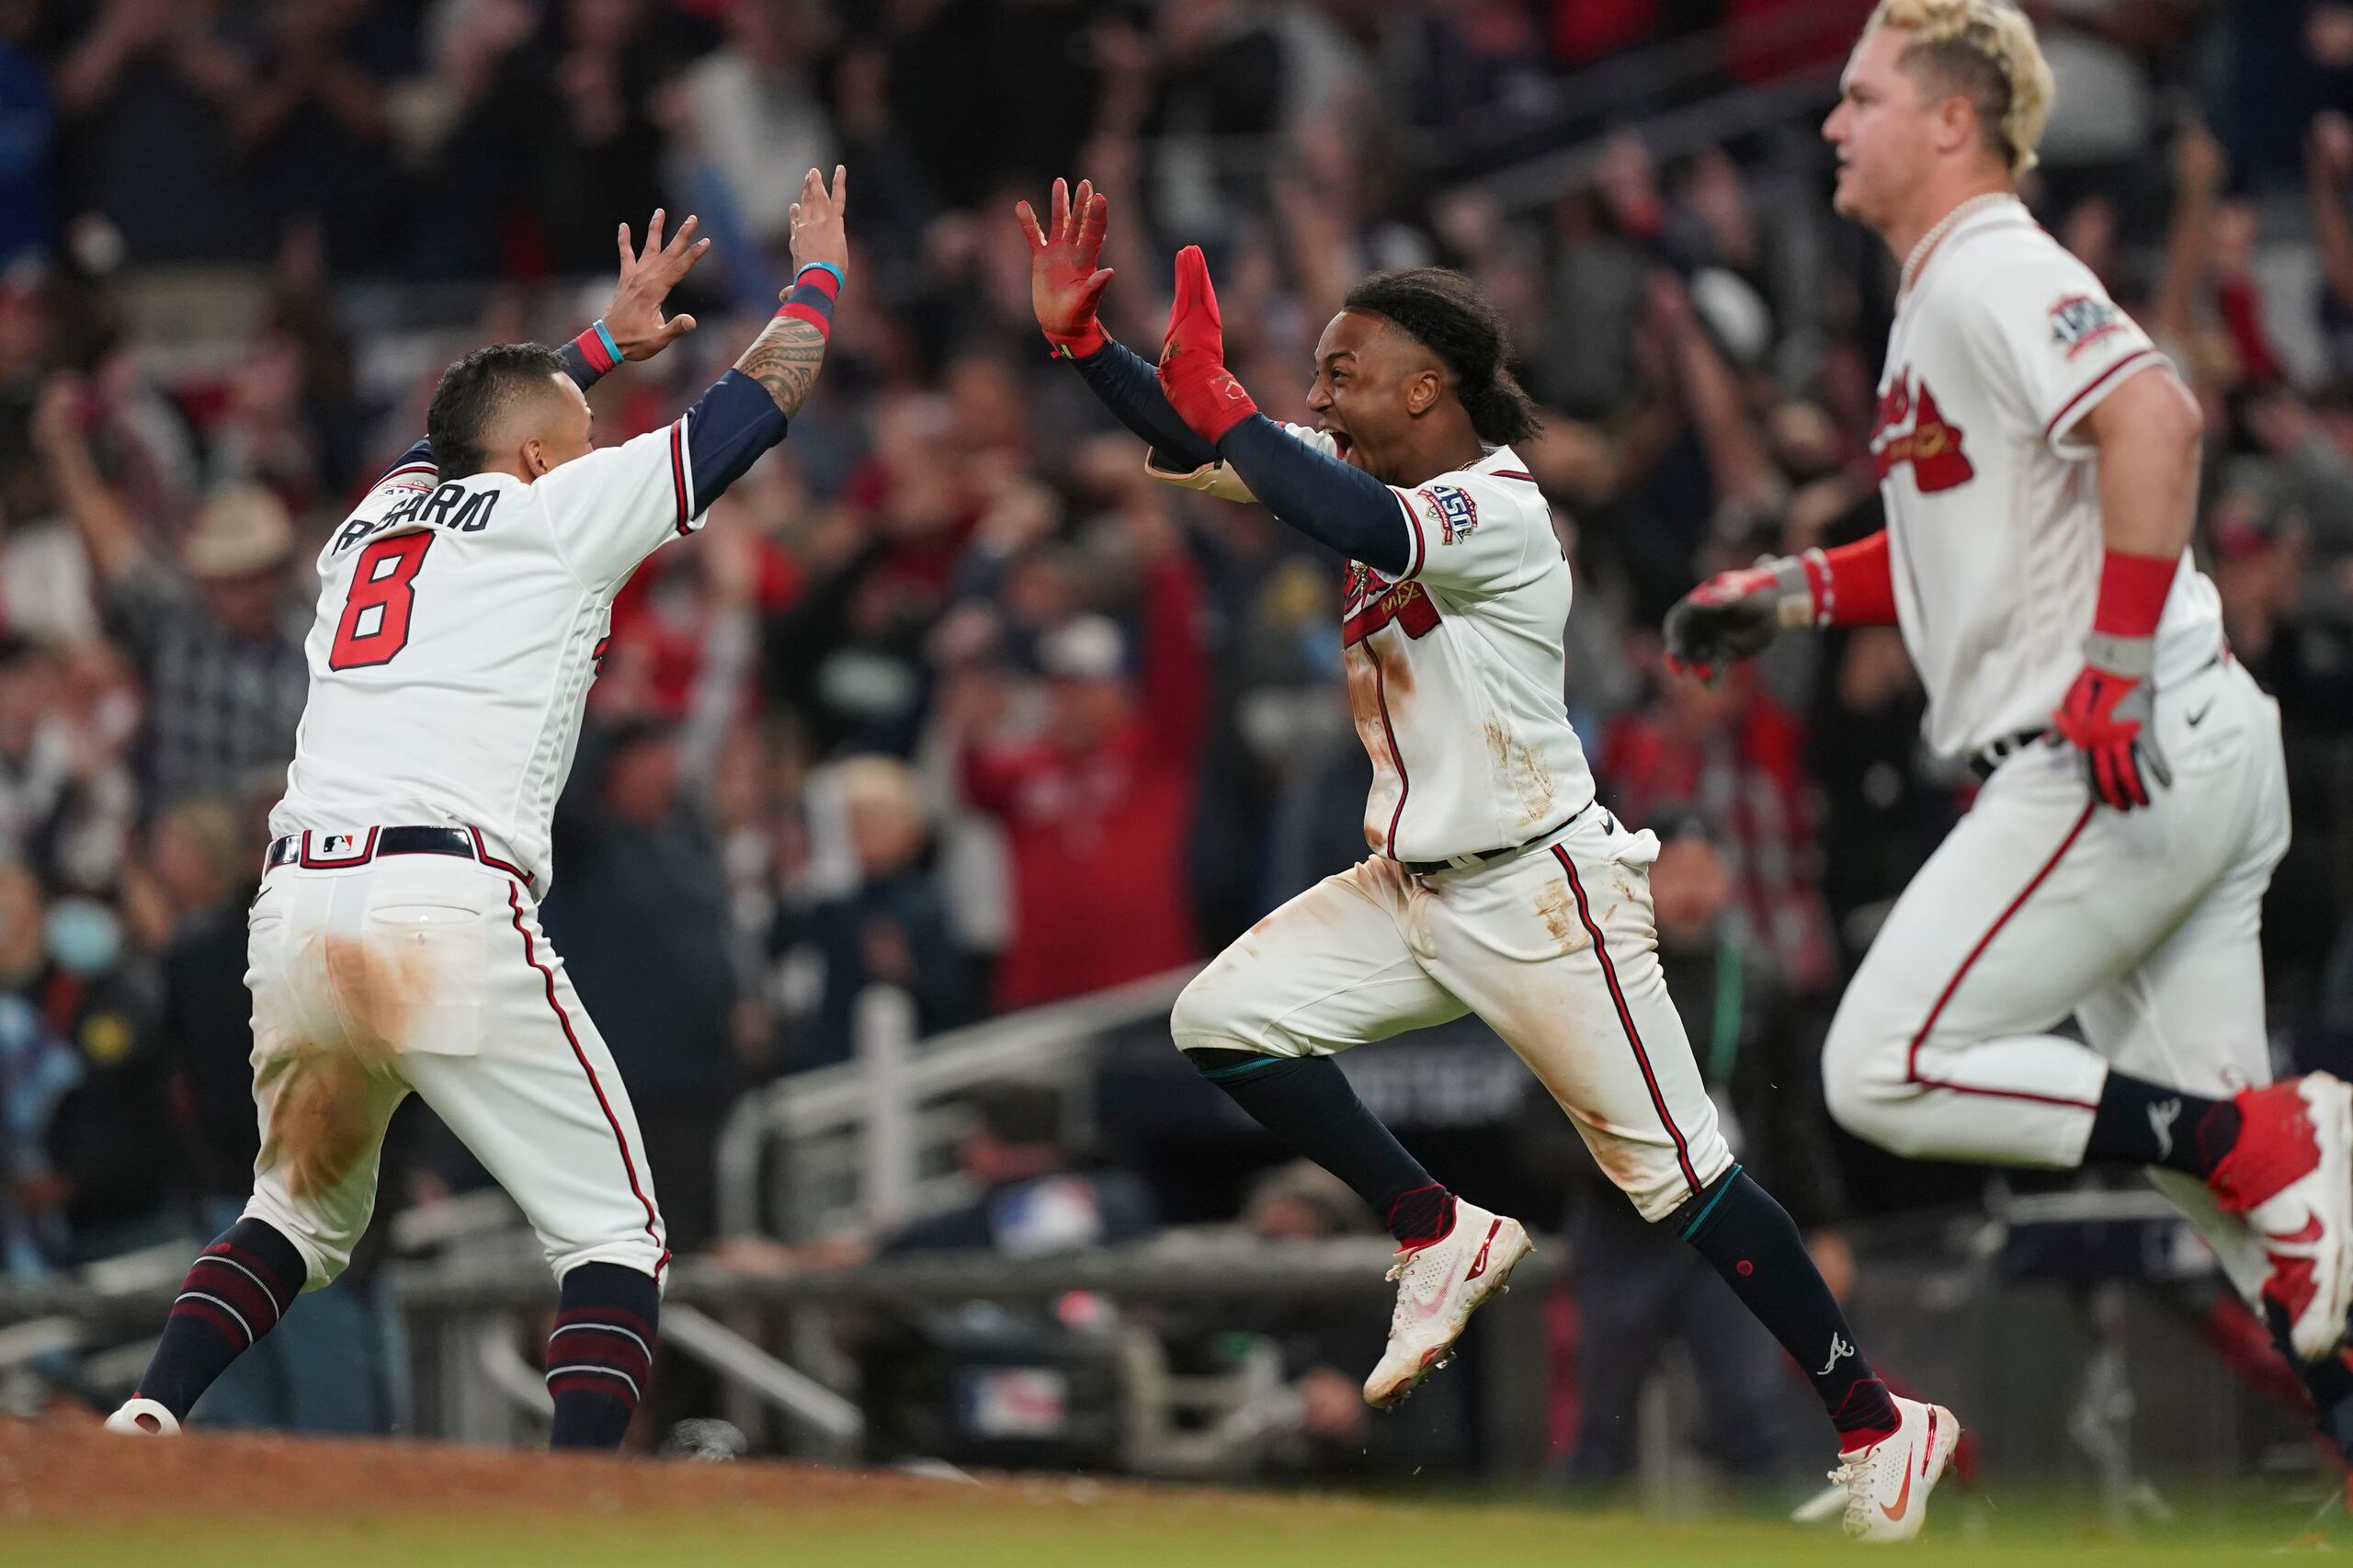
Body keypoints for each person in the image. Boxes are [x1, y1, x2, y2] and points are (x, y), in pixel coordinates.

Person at [1015, 176, 1959, 1540]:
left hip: (1541, 889)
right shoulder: (1357, 469)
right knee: (1217, 1020)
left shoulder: (1500, 507)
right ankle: (1435, 1223)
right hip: (1411, 889)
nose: (1322, 393)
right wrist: (1083, 347)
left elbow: (1346, 520)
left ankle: (1880, 1416)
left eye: (1347, 371)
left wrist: (1228, 406)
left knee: (1685, 1182)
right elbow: (1212, 445)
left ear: (1426, 390)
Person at [1662, 0, 2353, 1467]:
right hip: (2172, 737)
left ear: (1952, 121)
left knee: (1885, 1063)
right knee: (2266, 1234)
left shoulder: (1987, 267)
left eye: (1860, 97)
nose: (1833, 123)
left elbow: (2157, 422)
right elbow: (1950, 550)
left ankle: (2261, 1137)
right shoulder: (1937, 298)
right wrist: (1787, 595)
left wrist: (2108, 666)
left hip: (2114, 738)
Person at [102, 171, 849, 1451]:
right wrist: (820, 279)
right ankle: (570, 1511)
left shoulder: (372, 516)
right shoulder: (557, 510)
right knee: (614, 1233)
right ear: (545, 451)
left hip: (297, 907)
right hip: (444, 901)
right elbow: (750, 410)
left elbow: (460, 428)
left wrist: (602, 342)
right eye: (578, 416)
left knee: (291, 1213)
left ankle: (148, 1406)